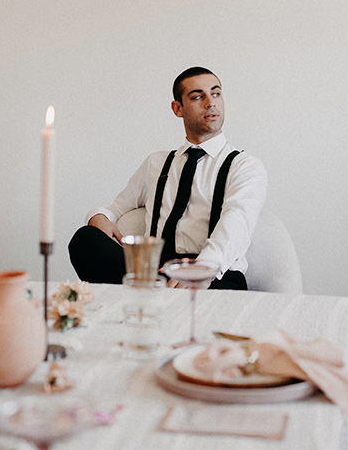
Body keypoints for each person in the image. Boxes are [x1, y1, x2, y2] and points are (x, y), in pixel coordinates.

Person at [68, 67, 267, 290]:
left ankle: (152, 299)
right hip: (154, 272)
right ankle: (158, 295)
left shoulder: (245, 166)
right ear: (177, 108)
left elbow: (237, 223)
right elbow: (116, 208)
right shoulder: (156, 163)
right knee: (84, 240)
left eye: (216, 93)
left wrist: (199, 271)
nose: (210, 102)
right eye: (198, 96)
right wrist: (100, 216)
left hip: (216, 278)